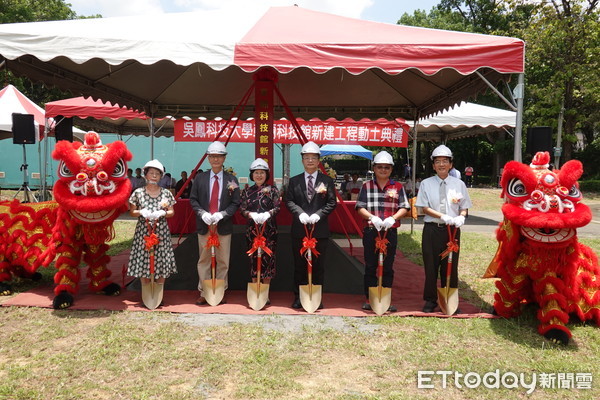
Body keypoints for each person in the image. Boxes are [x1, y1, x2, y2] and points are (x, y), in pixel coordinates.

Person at [415, 145, 471, 314]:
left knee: (451, 266)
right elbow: (423, 207)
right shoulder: (426, 183)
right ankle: (430, 300)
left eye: (444, 161)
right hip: (432, 229)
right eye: (437, 161)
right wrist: (442, 216)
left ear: (451, 164)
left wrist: (461, 216)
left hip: (452, 231)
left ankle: (449, 298)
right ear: (433, 165)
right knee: (430, 266)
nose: (441, 165)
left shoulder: (459, 184)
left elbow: (464, 206)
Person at [356, 151, 410, 312]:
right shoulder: (366, 186)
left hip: (390, 231)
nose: (383, 170)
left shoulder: (398, 186)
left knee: (387, 265)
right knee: (371, 265)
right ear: (374, 168)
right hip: (372, 230)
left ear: (391, 169)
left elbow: (405, 207)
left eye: (387, 167)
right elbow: (359, 207)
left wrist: (393, 218)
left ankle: (386, 298)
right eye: (380, 167)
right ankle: (369, 298)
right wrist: (372, 218)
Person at [286, 141, 337, 309]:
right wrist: (300, 213)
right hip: (299, 230)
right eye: (306, 157)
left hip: (319, 230)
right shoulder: (293, 181)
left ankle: (316, 296)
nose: (310, 161)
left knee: (318, 265)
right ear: (302, 160)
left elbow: (331, 203)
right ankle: (298, 296)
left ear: (318, 160)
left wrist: (318, 215)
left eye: (313, 158)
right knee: (299, 265)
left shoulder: (327, 181)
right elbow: (289, 201)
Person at [189, 141, 240, 305]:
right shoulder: (200, 178)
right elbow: (193, 199)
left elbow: (235, 203)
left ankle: (221, 290)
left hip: (223, 225)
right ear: (208, 158)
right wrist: (202, 213)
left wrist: (223, 214)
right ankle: (203, 291)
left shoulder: (232, 179)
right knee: (203, 260)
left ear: (224, 158)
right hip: (205, 225)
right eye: (212, 156)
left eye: (219, 156)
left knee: (223, 260)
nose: (215, 159)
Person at [127, 159, 177, 306]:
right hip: (144, 231)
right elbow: (132, 212)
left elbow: (171, 212)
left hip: (161, 231)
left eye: (157, 174)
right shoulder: (138, 193)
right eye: (151, 173)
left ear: (161, 176)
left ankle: (160, 286)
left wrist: (162, 214)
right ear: (145, 175)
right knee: (143, 258)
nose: (154, 176)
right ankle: (146, 286)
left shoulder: (166, 193)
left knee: (162, 258)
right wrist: (141, 212)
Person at [239, 158, 281, 289]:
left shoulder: (273, 190)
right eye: (256, 172)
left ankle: (265, 290)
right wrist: (250, 214)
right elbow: (242, 208)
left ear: (266, 174)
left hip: (269, 230)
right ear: (252, 175)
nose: (259, 175)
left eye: (262, 172)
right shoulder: (247, 191)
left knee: (268, 258)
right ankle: (255, 287)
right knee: (253, 257)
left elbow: (277, 207)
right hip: (252, 230)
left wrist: (268, 214)